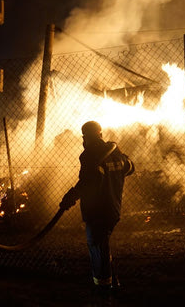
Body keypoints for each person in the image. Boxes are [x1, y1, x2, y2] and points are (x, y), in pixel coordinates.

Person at [59, 121, 135, 293]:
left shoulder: (89, 155)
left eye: (84, 137)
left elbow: (86, 183)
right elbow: (130, 168)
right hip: (113, 209)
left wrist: (70, 198)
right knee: (103, 245)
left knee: (97, 246)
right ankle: (112, 281)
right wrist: (124, 157)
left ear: (86, 137)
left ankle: (104, 288)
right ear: (100, 134)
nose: (83, 141)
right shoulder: (115, 153)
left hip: (97, 211)